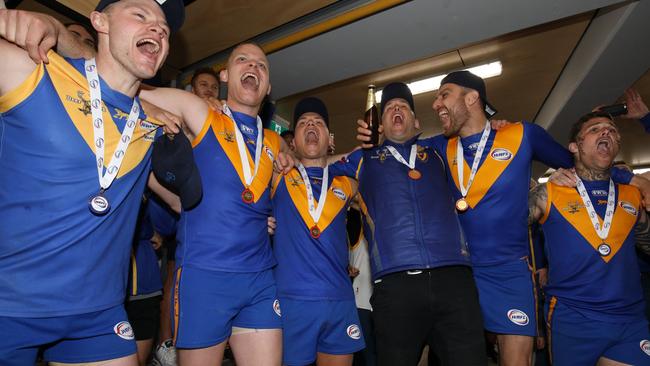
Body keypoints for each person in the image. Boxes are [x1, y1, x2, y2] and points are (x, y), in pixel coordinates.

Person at [0, 1, 184, 365]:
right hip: (8, 306)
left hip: (97, 315)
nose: (159, 29)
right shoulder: (34, 70)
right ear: (99, 21)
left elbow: (183, 204)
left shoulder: (150, 123)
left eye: (164, 26)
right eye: (140, 15)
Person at [429, 71, 647, 365]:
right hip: (459, 272)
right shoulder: (439, 147)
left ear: (471, 98)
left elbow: (577, 160)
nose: (435, 103)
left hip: (509, 271)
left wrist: (626, 176)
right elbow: (394, 153)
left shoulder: (522, 134)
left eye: (444, 93)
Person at [139, 42, 293, 366]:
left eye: (261, 66)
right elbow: (127, 89)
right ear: (225, 75)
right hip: (205, 275)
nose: (253, 67)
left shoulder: (275, 141)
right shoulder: (201, 111)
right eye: (243, 60)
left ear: (267, 87)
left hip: (260, 278)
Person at [331, 82, 486, 366]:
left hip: (454, 280)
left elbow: (476, 128)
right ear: (380, 124)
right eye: (389, 108)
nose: (396, 110)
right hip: (396, 285)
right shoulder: (364, 158)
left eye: (403, 106)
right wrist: (358, 146)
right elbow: (318, 168)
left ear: (416, 121)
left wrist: (494, 120)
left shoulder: (440, 148)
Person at [528, 111, 650, 365]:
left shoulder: (632, 195)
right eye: (595, 129)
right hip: (573, 317)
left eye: (612, 130)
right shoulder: (546, 193)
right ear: (575, 146)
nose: (607, 132)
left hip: (630, 319)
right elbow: (503, 230)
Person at [272, 97, 364, 365]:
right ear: (293, 141)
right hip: (291, 301)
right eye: (302, 123)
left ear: (330, 138)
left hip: (339, 300)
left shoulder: (347, 184)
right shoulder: (278, 175)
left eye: (318, 123)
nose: (310, 125)